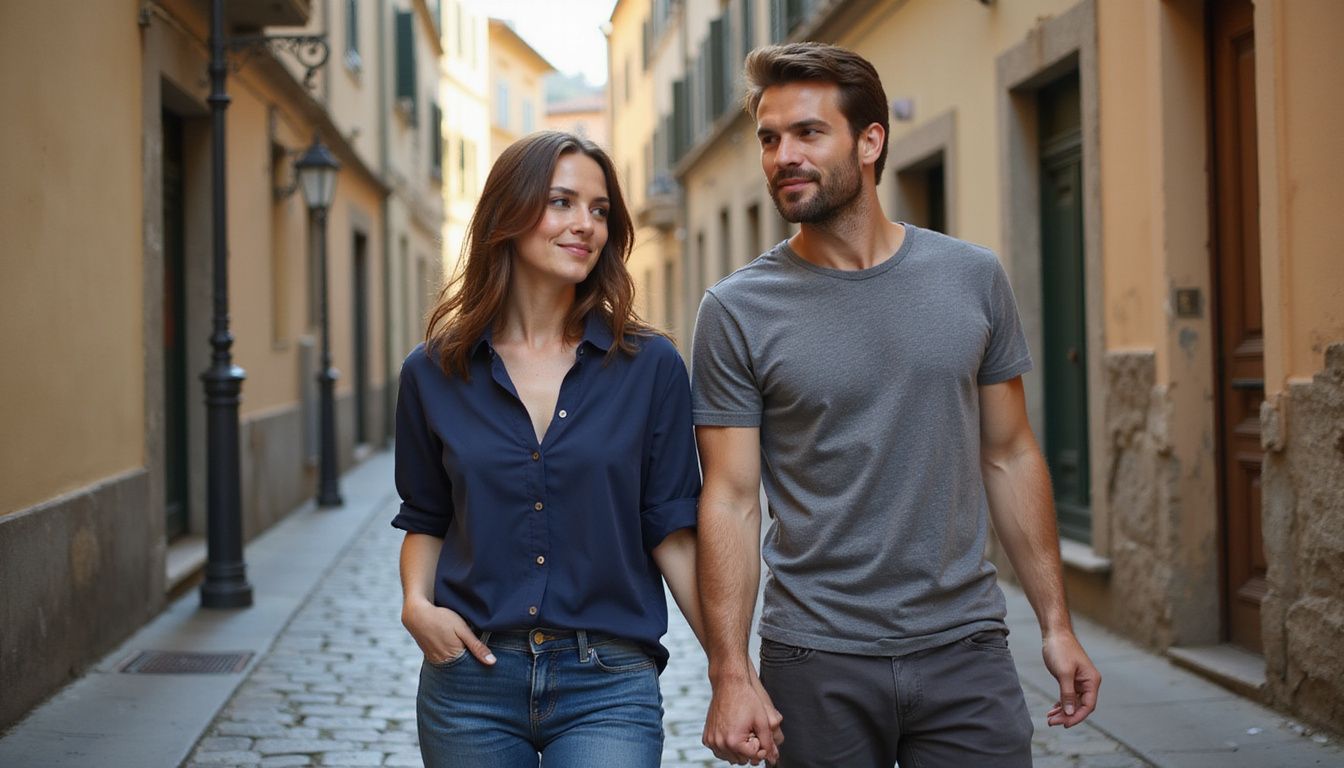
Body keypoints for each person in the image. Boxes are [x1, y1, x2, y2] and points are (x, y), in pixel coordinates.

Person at [692, 43, 1101, 767]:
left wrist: (1057, 624)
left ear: (871, 140)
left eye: (808, 133)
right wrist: (731, 673)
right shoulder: (736, 310)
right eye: (769, 138)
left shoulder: (973, 279)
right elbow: (729, 498)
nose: (783, 154)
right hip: (815, 658)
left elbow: (1009, 454)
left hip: (965, 650)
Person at [392, 130, 703, 768]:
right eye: (561, 202)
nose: (584, 224)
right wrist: (416, 606)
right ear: (509, 214)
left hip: (609, 682)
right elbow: (426, 516)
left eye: (599, 210)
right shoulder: (434, 371)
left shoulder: (651, 367)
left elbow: (671, 528)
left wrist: (732, 671)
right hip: (469, 682)